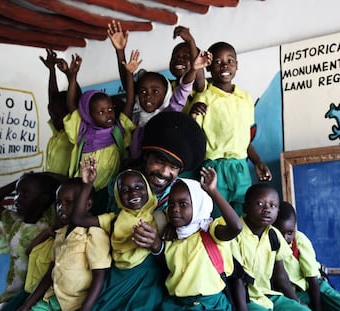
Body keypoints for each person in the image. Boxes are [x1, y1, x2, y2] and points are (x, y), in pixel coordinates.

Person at [107, 20, 212, 160]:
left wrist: (194, 68)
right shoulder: (137, 125)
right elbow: (130, 90)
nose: (148, 96)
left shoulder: (168, 113)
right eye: (143, 91)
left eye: (155, 91)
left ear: (166, 94)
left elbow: (184, 90)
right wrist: (120, 52)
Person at [189, 41, 272, 217]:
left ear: (237, 65)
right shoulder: (204, 97)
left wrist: (257, 162)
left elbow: (245, 139)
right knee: (217, 218)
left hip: (241, 168)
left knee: (244, 216)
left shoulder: (245, 98)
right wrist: (192, 114)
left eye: (230, 60)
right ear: (209, 67)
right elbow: (193, 137)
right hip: (213, 169)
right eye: (218, 62)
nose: (225, 65)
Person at [18, 159, 111, 311]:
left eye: (69, 202)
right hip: (52, 299)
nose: (62, 208)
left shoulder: (94, 234)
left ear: (87, 204)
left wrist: (85, 309)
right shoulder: (60, 233)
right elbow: (51, 273)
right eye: (59, 203)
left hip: (74, 305)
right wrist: (27, 304)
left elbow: (99, 276)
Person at [147, 167, 242, 310]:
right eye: (171, 204)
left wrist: (213, 192)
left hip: (211, 304)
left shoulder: (210, 231)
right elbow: (167, 267)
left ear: (198, 206)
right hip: (176, 305)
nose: (175, 209)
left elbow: (236, 227)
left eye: (183, 204)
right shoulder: (172, 237)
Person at [74, 167, 166, 310]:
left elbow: (169, 261)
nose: (133, 192)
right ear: (117, 196)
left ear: (147, 189)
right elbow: (78, 218)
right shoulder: (113, 220)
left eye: (138, 187)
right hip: (118, 279)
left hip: (147, 283)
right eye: (125, 190)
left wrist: (155, 244)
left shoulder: (161, 218)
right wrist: (87, 185)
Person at [63, 51, 138, 214]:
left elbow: (130, 101)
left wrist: (129, 74)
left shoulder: (118, 131)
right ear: (88, 114)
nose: (109, 114)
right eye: (101, 112)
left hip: (107, 192)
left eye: (110, 109)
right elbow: (71, 105)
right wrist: (72, 77)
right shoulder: (81, 131)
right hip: (81, 189)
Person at [0, 172, 61, 311]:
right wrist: (19, 181)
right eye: (17, 193)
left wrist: (48, 175)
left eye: (25, 194)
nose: (17, 198)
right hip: (12, 293)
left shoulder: (50, 222)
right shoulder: (14, 221)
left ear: (43, 199)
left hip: (36, 293)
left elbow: (67, 188)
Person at [230, 183, 311, 311]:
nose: (267, 209)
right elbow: (236, 277)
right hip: (245, 298)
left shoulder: (274, 234)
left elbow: (280, 275)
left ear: (277, 212)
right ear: (245, 207)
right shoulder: (235, 233)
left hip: (267, 295)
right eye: (260, 204)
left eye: (273, 206)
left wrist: (296, 301)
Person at [273, 201, 340, 311]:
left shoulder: (299, 240)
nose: (285, 238)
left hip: (316, 285)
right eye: (280, 233)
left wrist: (317, 307)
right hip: (291, 292)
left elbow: (312, 278)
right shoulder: (270, 243)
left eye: (290, 233)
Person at [40, 49, 80, 176]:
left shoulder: (73, 134)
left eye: (58, 115)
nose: (54, 119)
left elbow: (75, 101)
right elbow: (53, 99)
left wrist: (71, 76)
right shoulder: (57, 132)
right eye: (52, 115)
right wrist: (51, 71)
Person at [169, 25, 207, 113]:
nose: (179, 59)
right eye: (175, 57)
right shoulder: (169, 86)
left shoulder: (197, 86)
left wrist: (191, 41)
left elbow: (196, 69)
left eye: (186, 56)